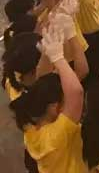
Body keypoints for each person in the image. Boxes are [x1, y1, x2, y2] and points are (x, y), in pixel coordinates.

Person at [9, 25, 86, 173]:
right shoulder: (57, 134)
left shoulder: (31, 124)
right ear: (53, 107)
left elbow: (42, 81)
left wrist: (47, 54)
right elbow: (76, 93)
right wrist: (58, 57)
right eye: (64, 100)